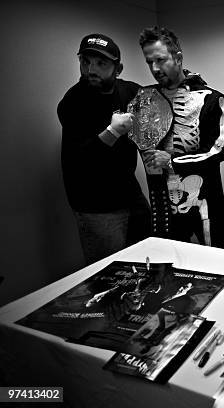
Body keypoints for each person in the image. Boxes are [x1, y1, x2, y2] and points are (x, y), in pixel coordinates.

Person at [58, 34, 151, 264]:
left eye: (101, 64)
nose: (91, 69)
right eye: (86, 62)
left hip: (130, 194)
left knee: (148, 259)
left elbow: (156, 100)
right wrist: (113, 131)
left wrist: (186, 83)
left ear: (117, 68)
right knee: (108, 276)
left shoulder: (129, 92)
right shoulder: (72, 102)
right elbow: (83, 160)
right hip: (96, 206)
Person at [137, 26, 224, 248]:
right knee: (169, 259)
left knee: (215, 256)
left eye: (160, 60)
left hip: (203, 197)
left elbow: (218, 151)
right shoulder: (146, 97)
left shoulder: (211, 99)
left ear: (178, 58)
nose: (155, 68)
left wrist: (171, 161)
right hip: (163, 200)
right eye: (149, 62)